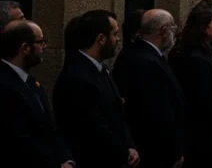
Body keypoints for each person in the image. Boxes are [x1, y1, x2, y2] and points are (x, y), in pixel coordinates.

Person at [53, 10, 138, 168]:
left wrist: (130, 146)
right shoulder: (77, 76)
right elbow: (94, 126)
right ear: (101, 38)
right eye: (115, 34)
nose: (118, 39)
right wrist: (123, 152)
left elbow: (118, 114)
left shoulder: (101, 69)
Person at [112, 9, 185, 168]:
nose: (175, 33)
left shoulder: (140, 53)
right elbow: (158, 112)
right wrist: (174, 151)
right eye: (173, 28)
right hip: (154, 151)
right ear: (164, 31)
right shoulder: (147, 61)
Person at [0, 20, 74, 168]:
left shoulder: (31, 81)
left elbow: (50, 127)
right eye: (40, 42)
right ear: (25, 48)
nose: (44, 46)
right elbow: (20, 140)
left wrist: (67, 159)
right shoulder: (5, 85)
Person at [168, 6, 212, 168]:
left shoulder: (207, 51)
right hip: (205, 131)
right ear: (204, 28)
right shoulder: (196, 58)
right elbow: (206, 97)